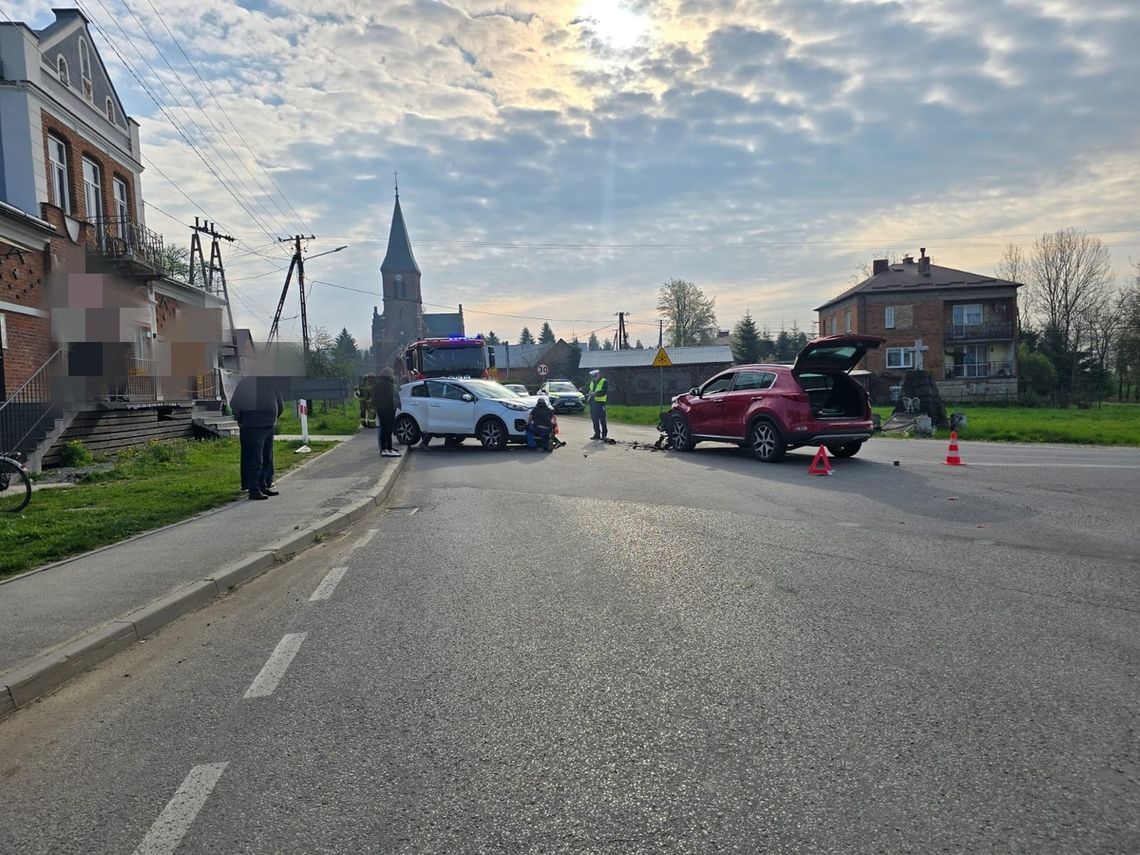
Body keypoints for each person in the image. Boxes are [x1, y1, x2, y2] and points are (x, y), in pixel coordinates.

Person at [231, 375, 285, 501]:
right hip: (253, 426)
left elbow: (279, 403)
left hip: (268, 425)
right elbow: (235, 404)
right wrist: (241, 419)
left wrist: (274, 417)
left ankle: (263, 485)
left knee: (267, 458)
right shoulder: (246, 383)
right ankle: (254, 489)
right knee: (256, 459)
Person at [375, 367, 401, 457]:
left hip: (381, 410)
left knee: (383, 429)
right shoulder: (389, 385)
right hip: (389, 409)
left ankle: (386, 449)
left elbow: (374, 398)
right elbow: (392, 398)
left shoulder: (377, 385)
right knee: (388, 430)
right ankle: (387, 449)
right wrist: (397, 406)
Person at [587, 368, 608, 441]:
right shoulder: (592, 382)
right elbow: (588, 389)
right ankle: (597, 434)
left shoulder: (604, 381)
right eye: (592, 377)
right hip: (593, 403)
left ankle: (604, 435)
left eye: (595, 376)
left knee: (602, 419)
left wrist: (595, 393)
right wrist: (589, 393)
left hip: (600, 403)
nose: (594, 378)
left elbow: (604, 391)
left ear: (598, 375)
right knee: (594, 419)